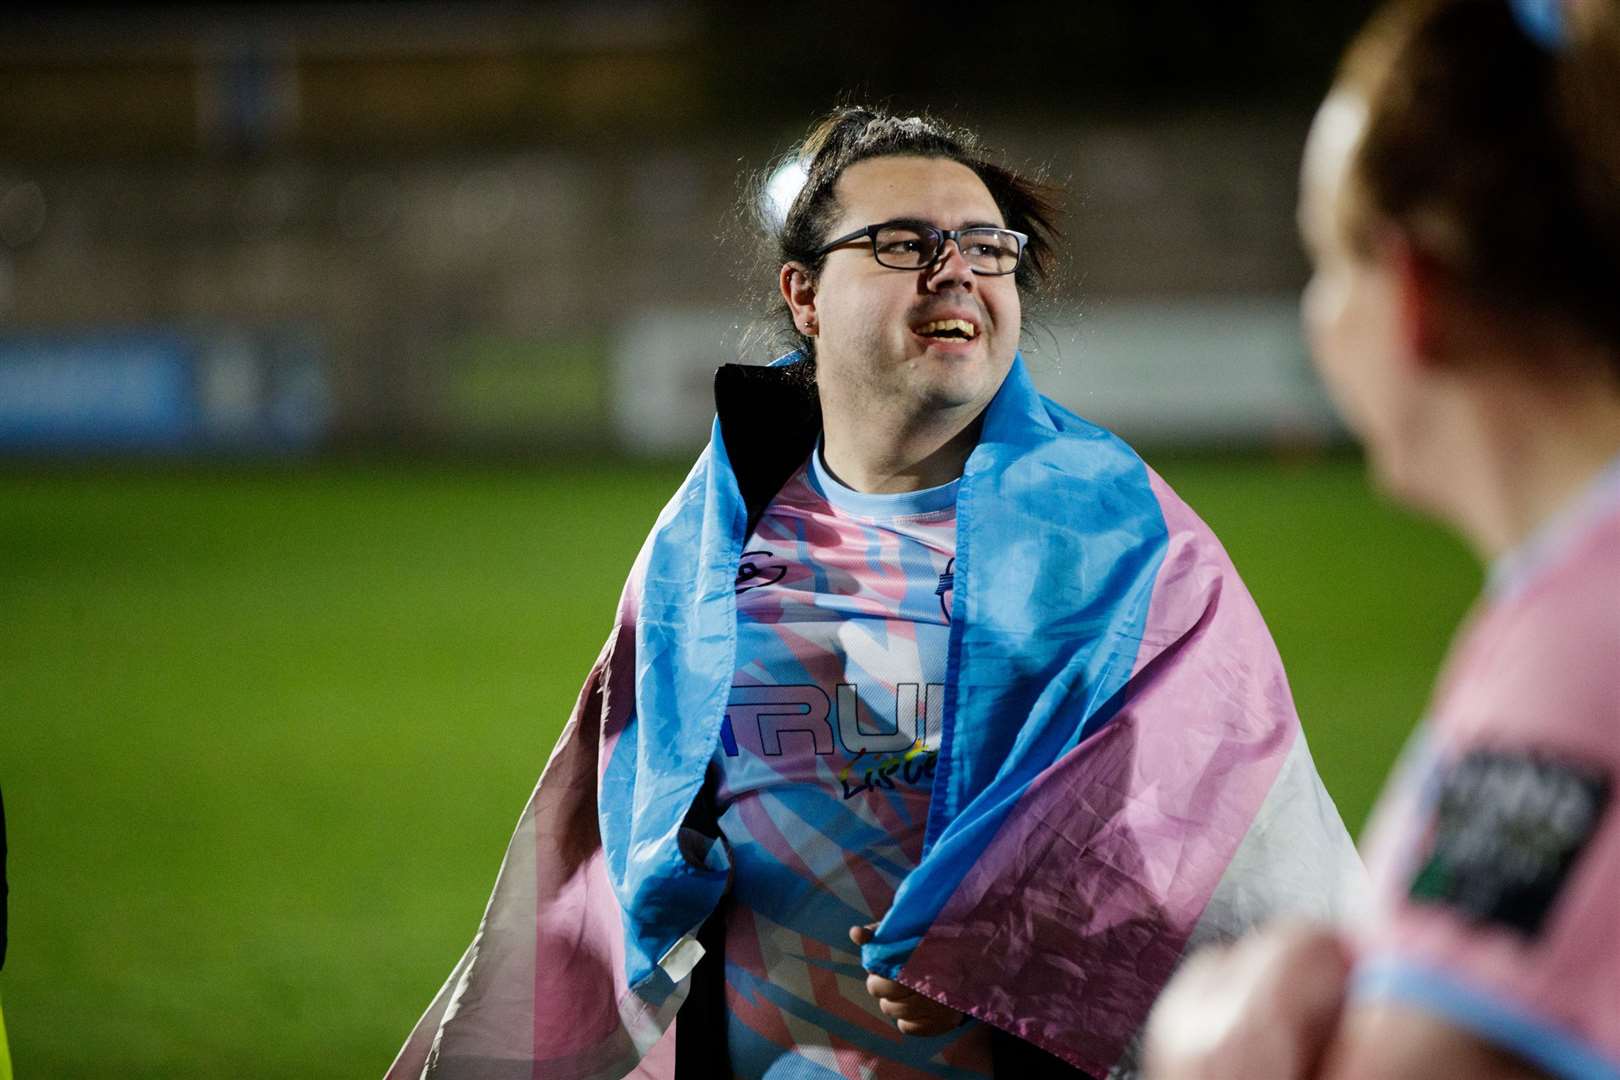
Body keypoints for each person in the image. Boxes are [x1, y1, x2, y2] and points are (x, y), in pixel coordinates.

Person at [387, 107, 1362, 1080]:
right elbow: (621, 834)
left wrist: (999, 948)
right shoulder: (710, 533)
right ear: (803, 297)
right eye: (904, 243)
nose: (958, 269)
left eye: (988, 245)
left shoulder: (1124, 541)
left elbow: (1215, 836)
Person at [1144, 1, 1620, 1078]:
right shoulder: (1560, 603)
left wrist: (1204, 1047)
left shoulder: (1577, 648)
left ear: (1414, 292)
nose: (1319, 317)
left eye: (1327, 260)